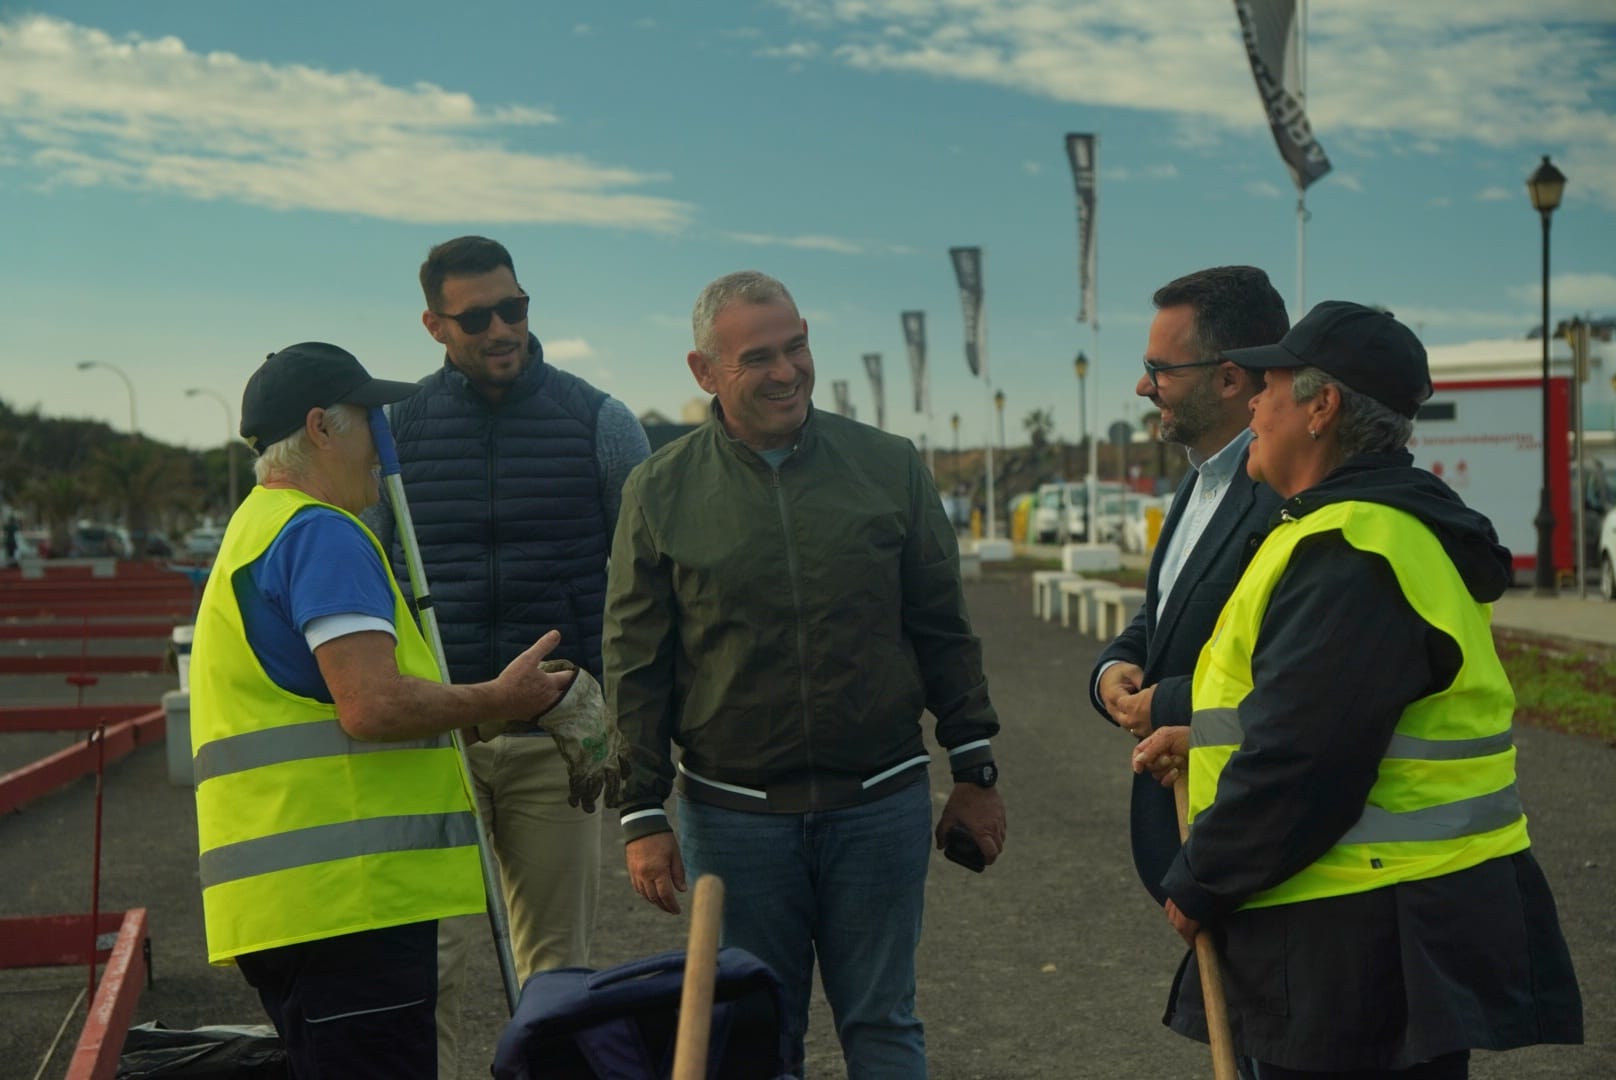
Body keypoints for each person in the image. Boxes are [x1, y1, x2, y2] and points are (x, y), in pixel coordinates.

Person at [1132, 302, 1584, 1077]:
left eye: (1268, 387)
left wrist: (1201, 880)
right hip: (1378, 932)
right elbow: (1315, 709)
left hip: (1357, 948)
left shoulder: (1355, 549)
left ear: (1321, 406)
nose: (1253, 406)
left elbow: (1306, 758)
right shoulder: (1354, 530)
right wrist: (1200, 736)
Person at [603, 270, 1006, 1076]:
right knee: (754, 1039)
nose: (787, 371)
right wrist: (640, 811)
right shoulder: (659, 488)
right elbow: (635, 660)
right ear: (703, 371)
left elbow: (941, 629)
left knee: (884, 1024)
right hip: (734, 820)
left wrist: (975, 766)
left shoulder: (888, 466)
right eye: (758, 357)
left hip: (880, 805)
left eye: (797, 346)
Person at [189, 342, 577, 1078]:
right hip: (353, 903)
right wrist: (501, 699)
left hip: (283, 906)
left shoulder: (252, 531)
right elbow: (370, 703)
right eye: (370, 420)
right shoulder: (321, 532)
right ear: (322, 429)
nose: (384, 444)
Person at [365, 236, 649, 1079]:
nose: (502, 329)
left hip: (551, 736)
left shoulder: (598, 420)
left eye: (514, 308)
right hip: (435, 740)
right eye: (478, 316)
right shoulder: (394, 435)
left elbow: (650, 578)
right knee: (435, 968)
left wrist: (622, 710)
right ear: (434, 324)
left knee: (557, 976)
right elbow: (369, 580)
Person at [1089, 266, 1287, 904]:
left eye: (1161, 368)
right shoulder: (1198, 479)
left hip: (1252, 841)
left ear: (1229, 377)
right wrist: (1116, 664)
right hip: (1190, 832)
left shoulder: (1283, 498)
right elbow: (1168, 614)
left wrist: (1166, 701)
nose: (1144, 386)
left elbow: (1289, 671)